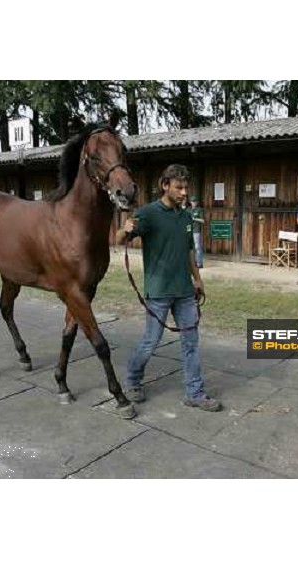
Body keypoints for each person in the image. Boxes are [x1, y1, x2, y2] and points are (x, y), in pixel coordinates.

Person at [116, 164, 222, 412]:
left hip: (185, 291)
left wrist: (197, 279)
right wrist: (125, 228)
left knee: (191, 342)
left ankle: (194, 393)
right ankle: (132, 380)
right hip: (159, 291)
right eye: (179, 187)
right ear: (165, 185)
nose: (184, 192)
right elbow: (119, 239)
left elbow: (189, 251)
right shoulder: (149, 213)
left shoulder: (186, 216)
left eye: (186, 187)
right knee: (151, 341)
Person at [189, 196, 205, 268]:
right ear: (190, 202)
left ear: (197, 202)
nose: (194, 202)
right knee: (189, 247)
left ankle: (199, 263)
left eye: (195, 201)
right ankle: (191, 263)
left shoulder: (199, 210)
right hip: (188, 230)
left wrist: (194, 218)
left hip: (196, 231)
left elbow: (203, 221)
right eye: (192, 201)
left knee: (197, 247)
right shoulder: (188, 210)